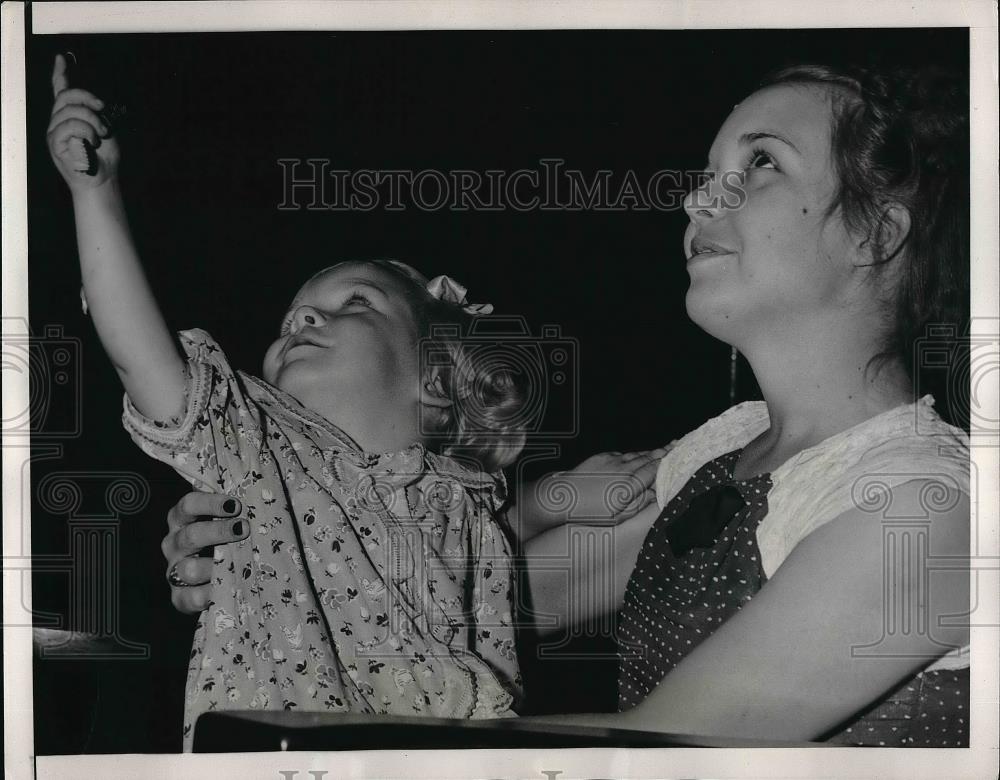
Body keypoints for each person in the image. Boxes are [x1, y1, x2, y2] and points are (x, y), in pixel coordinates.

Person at [160, 61, 971, 745]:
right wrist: (286, 541)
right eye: (705, 174)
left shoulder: (921, 506)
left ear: (877, 234)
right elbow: (447, 602)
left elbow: (654, 753)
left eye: (760, 164)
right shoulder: (729, 452)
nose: (697, 201)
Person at [46, 52, 629, 751]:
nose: (303, 321)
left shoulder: (463, 499)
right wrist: (98, 193)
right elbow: (139, 354)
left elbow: (514, 539)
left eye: (354, 303)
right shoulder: (258, 444)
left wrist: (584, 491)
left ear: (438, 381)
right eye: (291, 318)